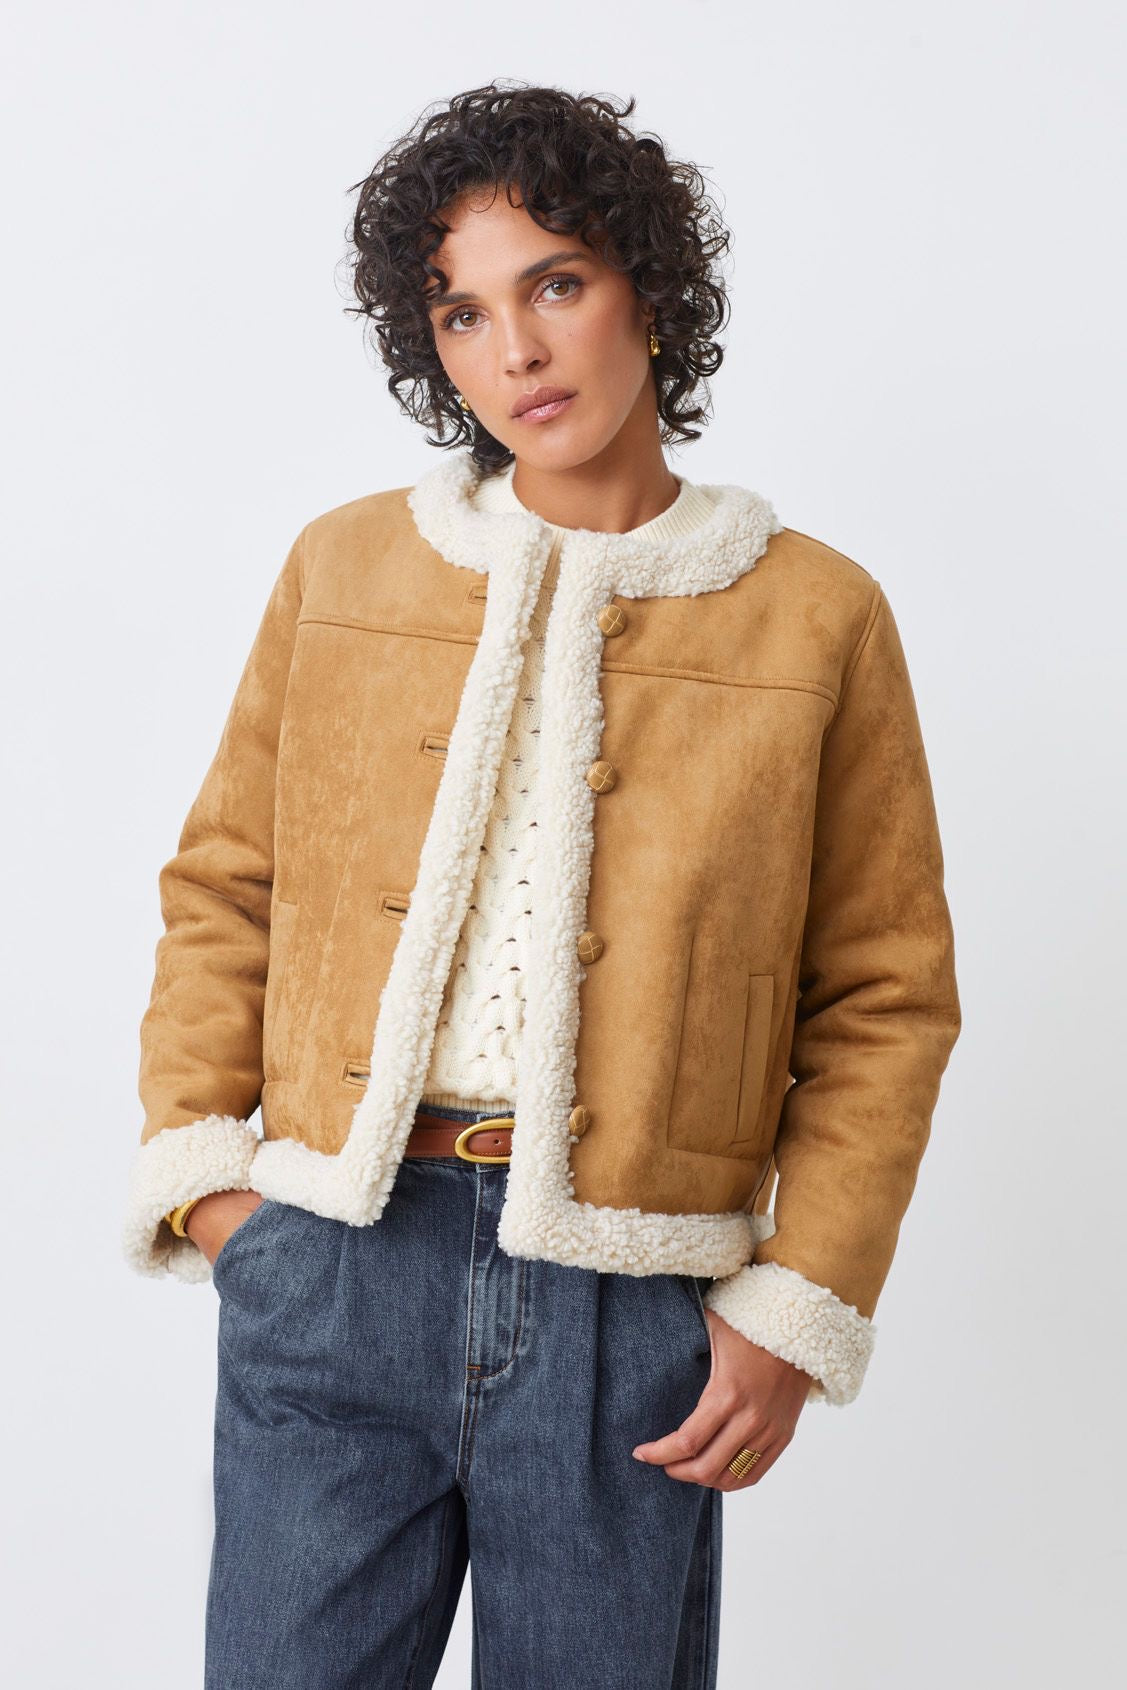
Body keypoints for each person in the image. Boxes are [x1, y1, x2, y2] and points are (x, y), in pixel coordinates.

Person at [122, 81, 961, 1689]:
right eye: (463, 311)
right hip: (334, 1261)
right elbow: (227, 885)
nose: (516, 349)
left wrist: (795, 1302)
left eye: (556, 283)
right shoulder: (345, 568)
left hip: (627, 1305)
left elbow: (885, 992)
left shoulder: (816, 617)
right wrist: (222, 1204)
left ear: (649, 284)